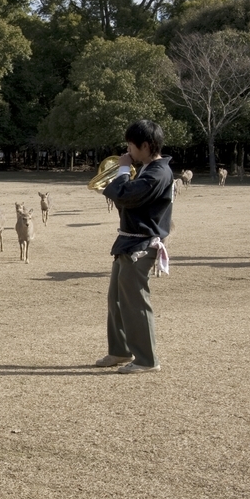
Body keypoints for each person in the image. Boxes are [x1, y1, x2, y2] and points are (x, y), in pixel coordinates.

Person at [97, 119, 173, 373]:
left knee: (135, 302)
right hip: (128, 241)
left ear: (146, 146)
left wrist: (121, 171)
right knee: (117, 299)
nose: (127, 150)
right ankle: (119, 350)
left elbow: (127, 196)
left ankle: (146, 360)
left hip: (141, 244)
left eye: (131, 145)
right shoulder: (148, 170)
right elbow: (128, 202)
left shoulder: (158, 173)